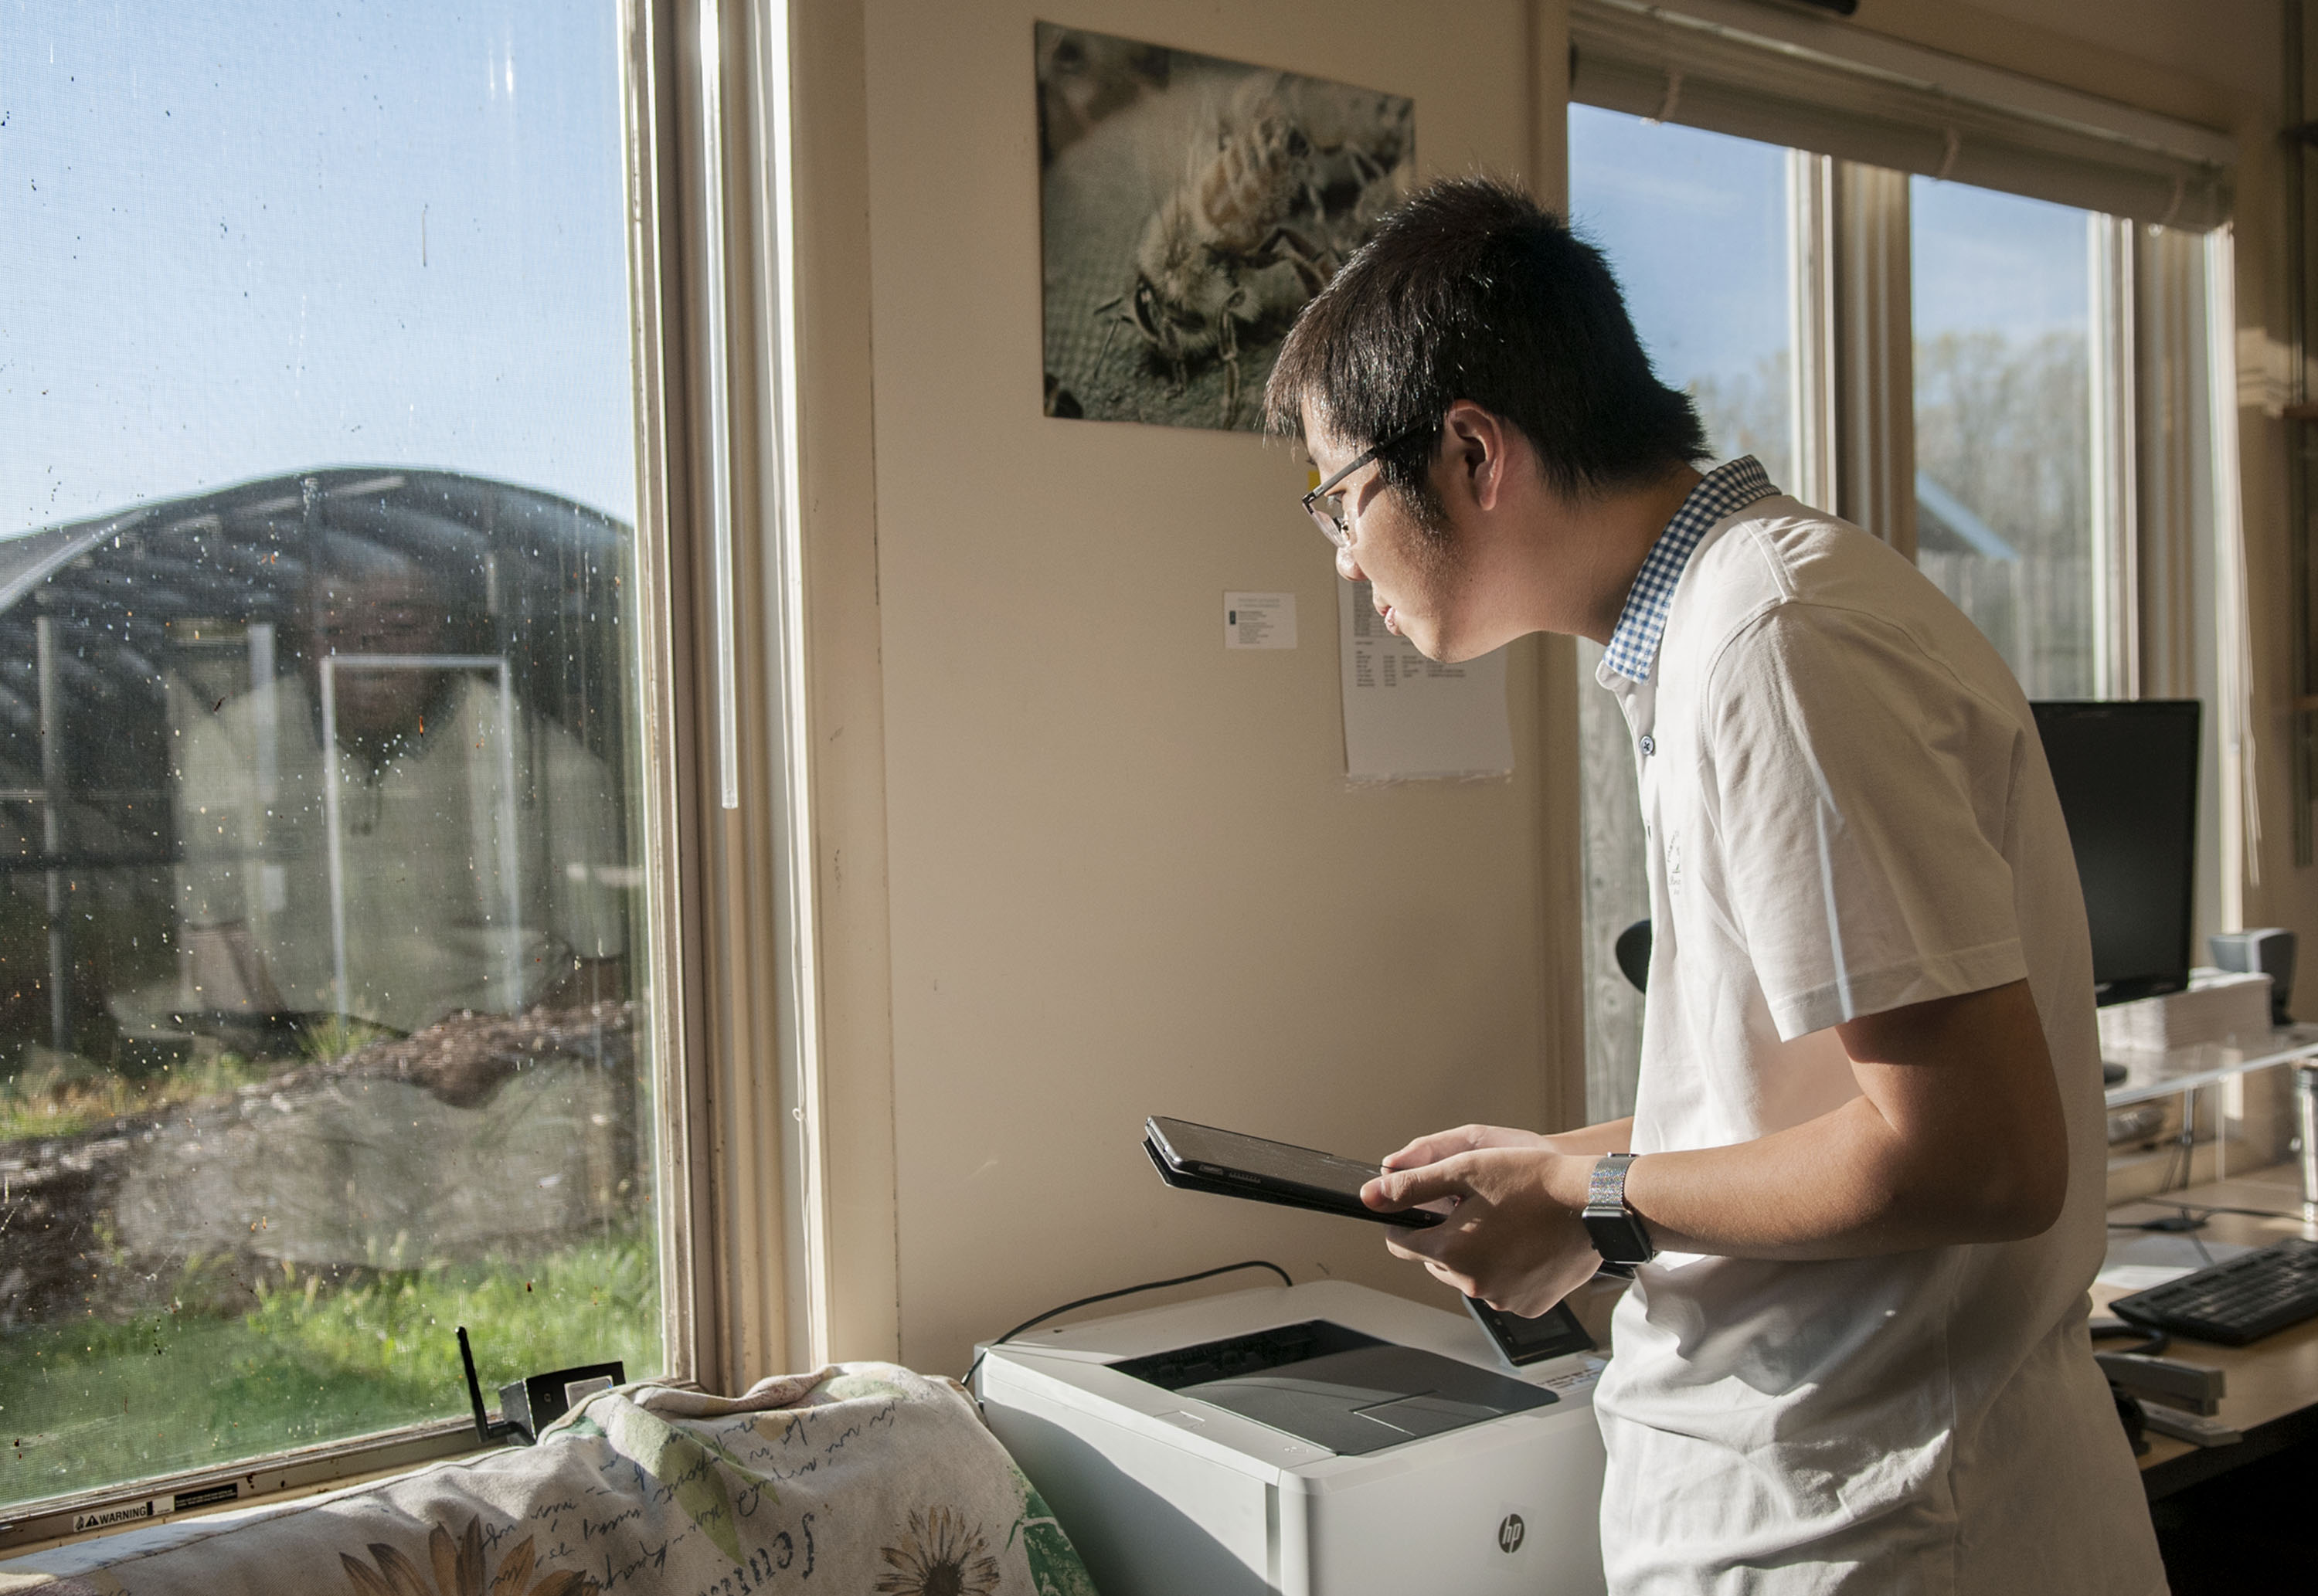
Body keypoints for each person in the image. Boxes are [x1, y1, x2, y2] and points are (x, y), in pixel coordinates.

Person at [1263, 176, 2163, 1593]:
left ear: (1474, 453)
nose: (1339, 557)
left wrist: (1595, 1198)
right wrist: (1550, 1175)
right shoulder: (1734, 624)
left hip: (1875, 1524)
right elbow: (1822, 1097)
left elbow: (1981, 1153)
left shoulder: (1777, 643)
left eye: (1341, 497)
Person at [174, 533, 627, 1037]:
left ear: (449, 630)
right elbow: (215, 938)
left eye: (401, 625)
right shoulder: (230, 746)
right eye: (333, 627)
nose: (366, 650)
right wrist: (284, 1053)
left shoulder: (549, 765)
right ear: (297, 635)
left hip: (511, 1074)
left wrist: (489, 1051)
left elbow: (604, 976)